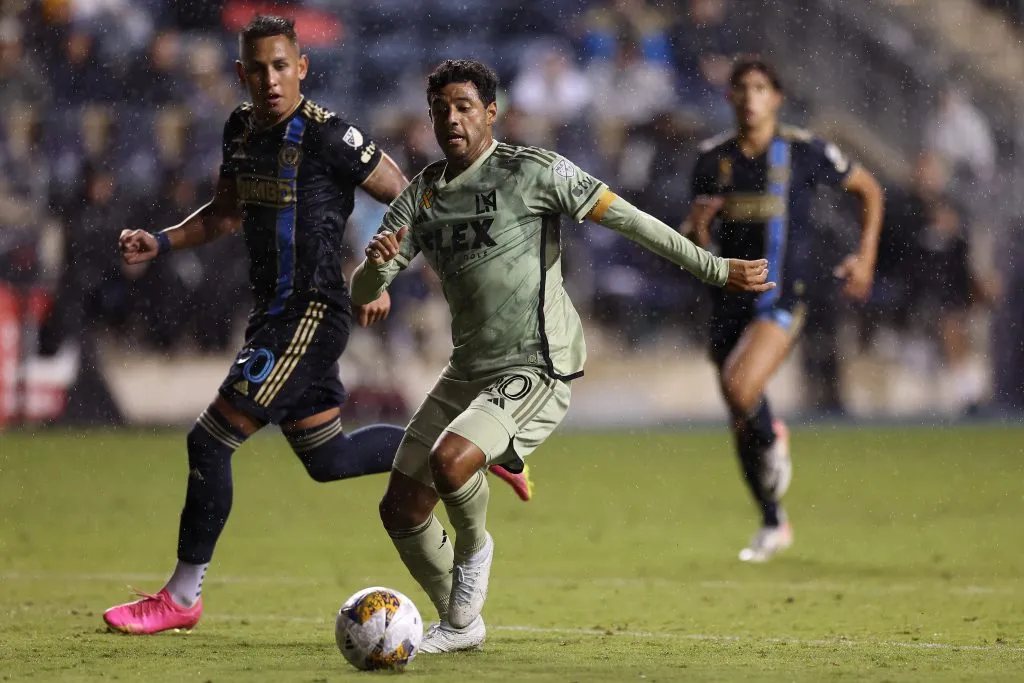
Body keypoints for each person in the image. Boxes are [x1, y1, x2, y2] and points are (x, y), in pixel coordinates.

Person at [101, 17, 528, 637]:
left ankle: (181, 596)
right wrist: (161, 241)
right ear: (242, 73)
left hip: (311, 314)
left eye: (282, 66)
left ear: (301, 68)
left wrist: (380, 274)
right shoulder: (240, 128)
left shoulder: (331, 135)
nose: (271, 79)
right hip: (272, 315)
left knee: (210, 441)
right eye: (258, 69)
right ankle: (468, 446)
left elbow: (406, 195)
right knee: (329, 457)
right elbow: (225, 214)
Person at [350, 59, 773, 653]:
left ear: (491, 113)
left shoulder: (534, 171)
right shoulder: (421, 195)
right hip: (467, 368)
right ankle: (460, 624)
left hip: (536, 363)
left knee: (451, 464)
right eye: (440, 109)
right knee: (400, 509)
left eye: (464, 107)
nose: (452, 119)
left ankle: (474, 555)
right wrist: (375, 270)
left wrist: (714, 267)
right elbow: (364, 292)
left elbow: (630, 221)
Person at [682, 57, 884, 563]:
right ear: (729, 97)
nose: (750, 97)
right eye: (741, 87)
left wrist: (865, 257)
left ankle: (773, 433)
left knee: (740, 388)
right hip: (727, 299)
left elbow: (869, 189)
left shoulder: (803, 150)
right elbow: (692, 243)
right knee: (739, 414)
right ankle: (773, 521)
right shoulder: (711, 159)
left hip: (782, 295)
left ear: (776, 98)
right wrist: (699, 229)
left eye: (760, 88)